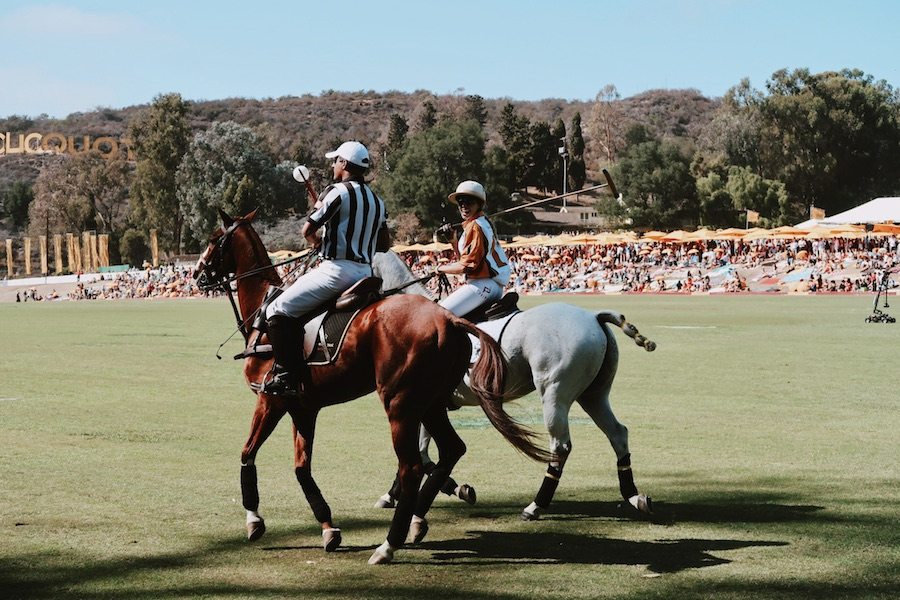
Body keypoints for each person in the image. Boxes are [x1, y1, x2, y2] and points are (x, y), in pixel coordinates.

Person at [262, 140, 390, 396]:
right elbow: (384, 245)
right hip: (365, 272)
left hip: (336, 271)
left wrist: (318, 242)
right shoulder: (378, 201)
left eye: (335, 161)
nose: (333, 165)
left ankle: (286, 374)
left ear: (344, 164)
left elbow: (307, 229)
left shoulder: (337, 192)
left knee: (276, 308)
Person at [437, 180, 511, 317]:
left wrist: (439, 269)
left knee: (437, 315)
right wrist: (453, 242)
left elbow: (466, 267)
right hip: (490, 286)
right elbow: (467, 261)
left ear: (479, 204)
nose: (464, 206)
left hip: (482, 285)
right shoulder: (481, 223)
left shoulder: (475, 226)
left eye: (469, 202)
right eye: (461, 202)